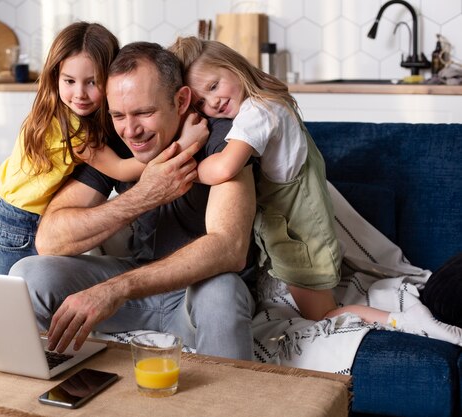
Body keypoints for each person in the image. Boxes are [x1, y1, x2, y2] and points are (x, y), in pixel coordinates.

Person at [168, 36, 462, 346]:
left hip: (300, 235)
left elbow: (224, 169)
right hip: (296, 228)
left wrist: (182, 164)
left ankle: (400, 321)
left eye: (214, 87)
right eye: (200, 102)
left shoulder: (257, 114)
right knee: (301, 306)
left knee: (322, 317)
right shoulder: (267, 101)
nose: (211, 103)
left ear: (236, 68)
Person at [9, 41, 258, 360]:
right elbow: (50, 239)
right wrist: (144, 194)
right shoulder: (115, 145)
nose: (132, 130)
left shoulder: (222, 137)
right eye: (118, 115)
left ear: (180, 101)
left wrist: (116, 289)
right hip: (139, 286)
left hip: (196, 292)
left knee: (221, 292)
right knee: (28, 274)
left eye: (144, 112)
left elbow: (230, 247)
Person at [0, 23, 205, 275]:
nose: (80, 94)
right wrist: (183, 145)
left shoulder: (55, 112)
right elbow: (120, 168)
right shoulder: (74, 129)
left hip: (3, 211)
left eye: (92, 82)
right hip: (17, 225)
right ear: (56, 77)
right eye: (69, 81)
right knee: (9, 302)